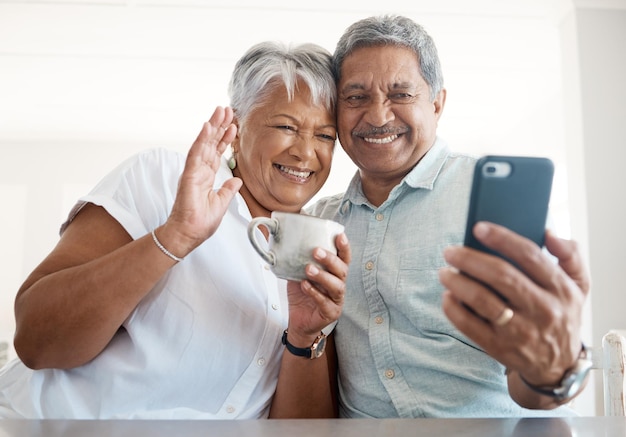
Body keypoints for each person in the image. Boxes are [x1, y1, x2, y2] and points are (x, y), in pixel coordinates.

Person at [0, 41, 350, 419]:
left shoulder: (317, 253)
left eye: (325, 136)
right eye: (286, 126)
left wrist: (304, 338)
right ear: (236, 127)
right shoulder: (164, 179)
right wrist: (173, 238)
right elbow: (36, 341)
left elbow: (298, 430)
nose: (305, 152)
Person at [302, 14, 591, 418]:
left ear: (437, 104)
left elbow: (535, 381)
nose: (379, 116)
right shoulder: (320, 221)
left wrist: (550, 372)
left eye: (401, 94)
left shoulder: (489, 199)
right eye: (356, 97)